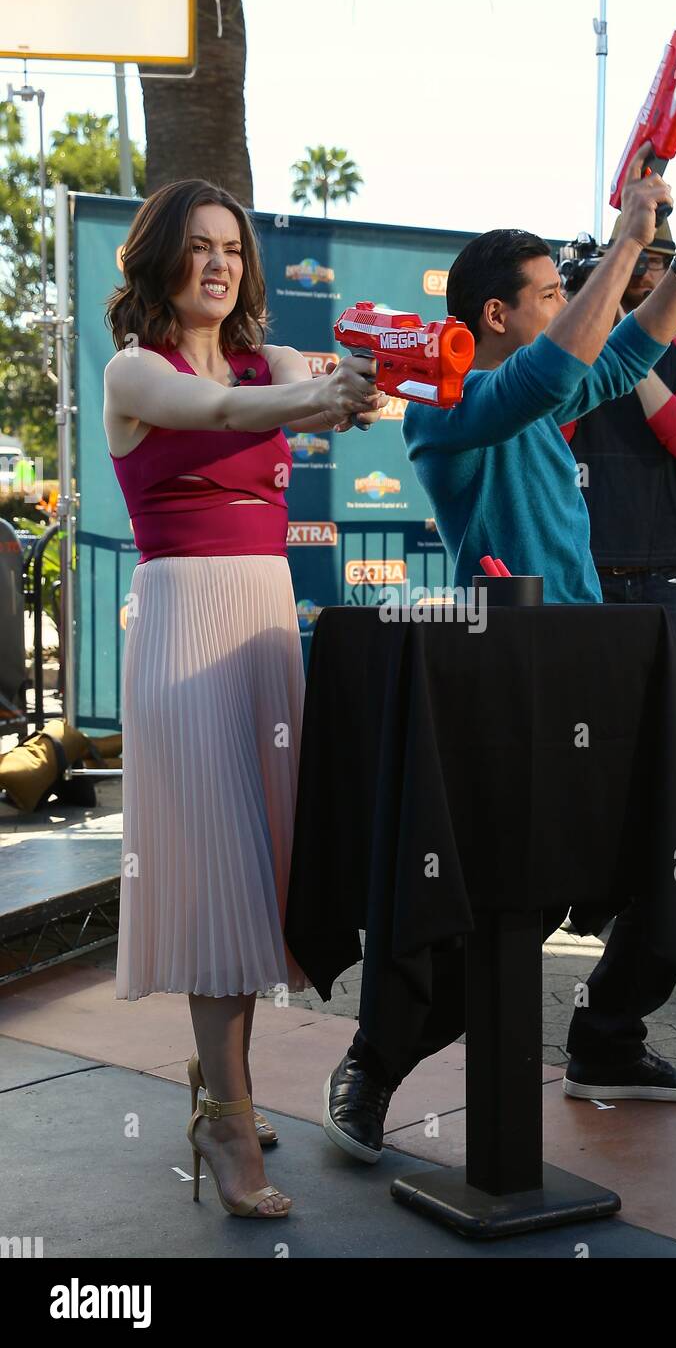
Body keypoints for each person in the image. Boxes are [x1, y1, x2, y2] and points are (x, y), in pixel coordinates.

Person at [322, 145, 676, 1163]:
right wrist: (626, 242)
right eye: (551, 293)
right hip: (496, 678)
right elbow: (559, 367)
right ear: (495, 318)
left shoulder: (537, 389)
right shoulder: (446, 409)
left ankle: (606, 1039)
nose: (571, 305)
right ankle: (375, 1066)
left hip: (592, 659)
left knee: (670, 853)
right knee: (475, 916)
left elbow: (606, 359)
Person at [104, 178, 385, 1216]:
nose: (218, 264)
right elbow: (219, 411)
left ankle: (222, 1084)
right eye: (197, 247)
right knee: (218, 865)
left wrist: (372, 380)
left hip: (266, 623)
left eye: (232, 248)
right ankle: (228, 1121)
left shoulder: (277, 360)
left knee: (262, 873)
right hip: (183, 623)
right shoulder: (136, 369)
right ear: (159, 262)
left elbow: (361, 381)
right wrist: (322, 397)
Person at [561, 215, 676, 682]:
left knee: (666, 711)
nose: (647, 276)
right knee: (582, 710)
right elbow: (558, 429)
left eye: (661, 265)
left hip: (659, 566)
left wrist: (629, 351)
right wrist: (590, 329)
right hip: (583, 563)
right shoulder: (570, 351)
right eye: (636, 263)